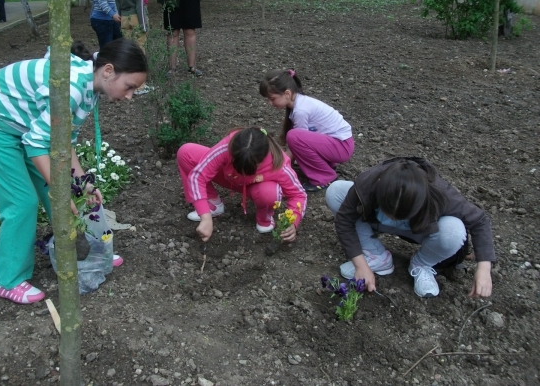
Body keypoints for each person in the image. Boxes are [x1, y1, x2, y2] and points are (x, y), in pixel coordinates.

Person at [0, 39, 148, 304]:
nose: (130, 96)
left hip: (25, 126)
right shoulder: (72, 88)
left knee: (68, 192)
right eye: (129, 87)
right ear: (108, 71)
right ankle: (6, 280)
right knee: (21, 202)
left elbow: (63, 141)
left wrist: (82, 183)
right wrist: (62, 192)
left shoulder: (90, 90)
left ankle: (82, 253)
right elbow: (37, 144)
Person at [325, 157, 495, 298]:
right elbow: (344, 219)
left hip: (421, 231)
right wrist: (360, 265)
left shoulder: (440, 193)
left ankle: (421, 264)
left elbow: (479, 221)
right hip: (376, 221)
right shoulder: (369, 181)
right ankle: (376, 256)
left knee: (454, 230)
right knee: (336, 191)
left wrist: (484, 268)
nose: (393, 218)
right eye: (388, 211)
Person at [177, 127, 307, 243]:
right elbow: (198, 175)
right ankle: (213, 204)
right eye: (237, 165)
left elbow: (298, 195)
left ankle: (264, 218)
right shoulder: (227, 146)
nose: (243, 172)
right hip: (228, 177)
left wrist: (293, 222)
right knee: (186, 153)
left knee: (269, 193)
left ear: (262, 159)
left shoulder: (279, 165)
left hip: (256, 187)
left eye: (250, 169)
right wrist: (205, 216)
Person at [259, 69, 354, 192]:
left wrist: (280, 164)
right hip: (340, 144)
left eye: (272, 98)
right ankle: (325, 166)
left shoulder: (301, 111)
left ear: (287, 94)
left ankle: (324, 177)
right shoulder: (300, 102)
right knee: (295, 137)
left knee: (293, 136)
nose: (269, 103)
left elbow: (297, 142)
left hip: (342, 147)